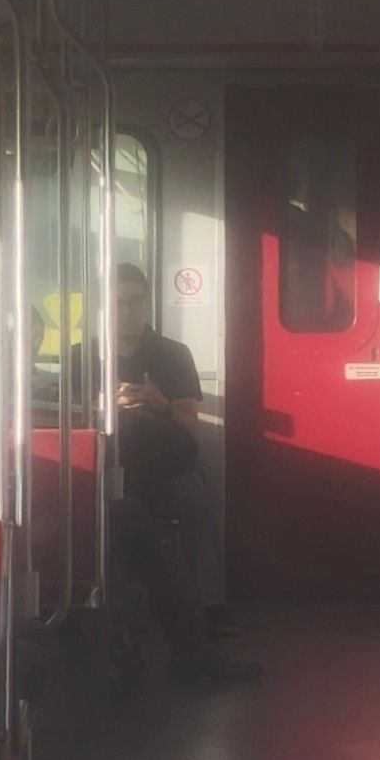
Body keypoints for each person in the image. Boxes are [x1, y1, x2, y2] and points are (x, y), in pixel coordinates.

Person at [101, 263, 259, 685]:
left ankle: (191, 623)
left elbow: (192, 427)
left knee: (193, 503)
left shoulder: (174, 354)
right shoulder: (87, 355)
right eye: (117, 304)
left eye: (134, 302)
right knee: (131, 523)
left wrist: (160, 405)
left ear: (148, 303)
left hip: (170, 471)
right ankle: (183, 645)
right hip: (112, 477)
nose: (127, 312)